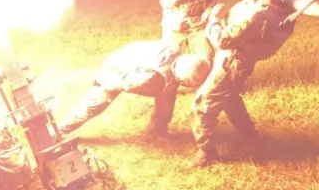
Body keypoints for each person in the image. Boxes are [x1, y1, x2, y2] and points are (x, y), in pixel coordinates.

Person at [190, 0, 297, 168]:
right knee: (230, 99)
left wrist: (213, 19)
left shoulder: (258, 16)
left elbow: (222, 40)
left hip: (230, 62)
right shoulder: (280, 11)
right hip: (240, 64)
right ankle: (251, 138)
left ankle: (206, 153)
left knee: (202, 105)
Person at [56, 39, 212, 137]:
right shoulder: (154, 78)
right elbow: (128, 84)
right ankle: (59, 130)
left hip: (130, 58)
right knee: (95, 105)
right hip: (117, 69)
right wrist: (105, 82)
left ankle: (158, 129)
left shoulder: (174, 50)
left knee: (167, 95)